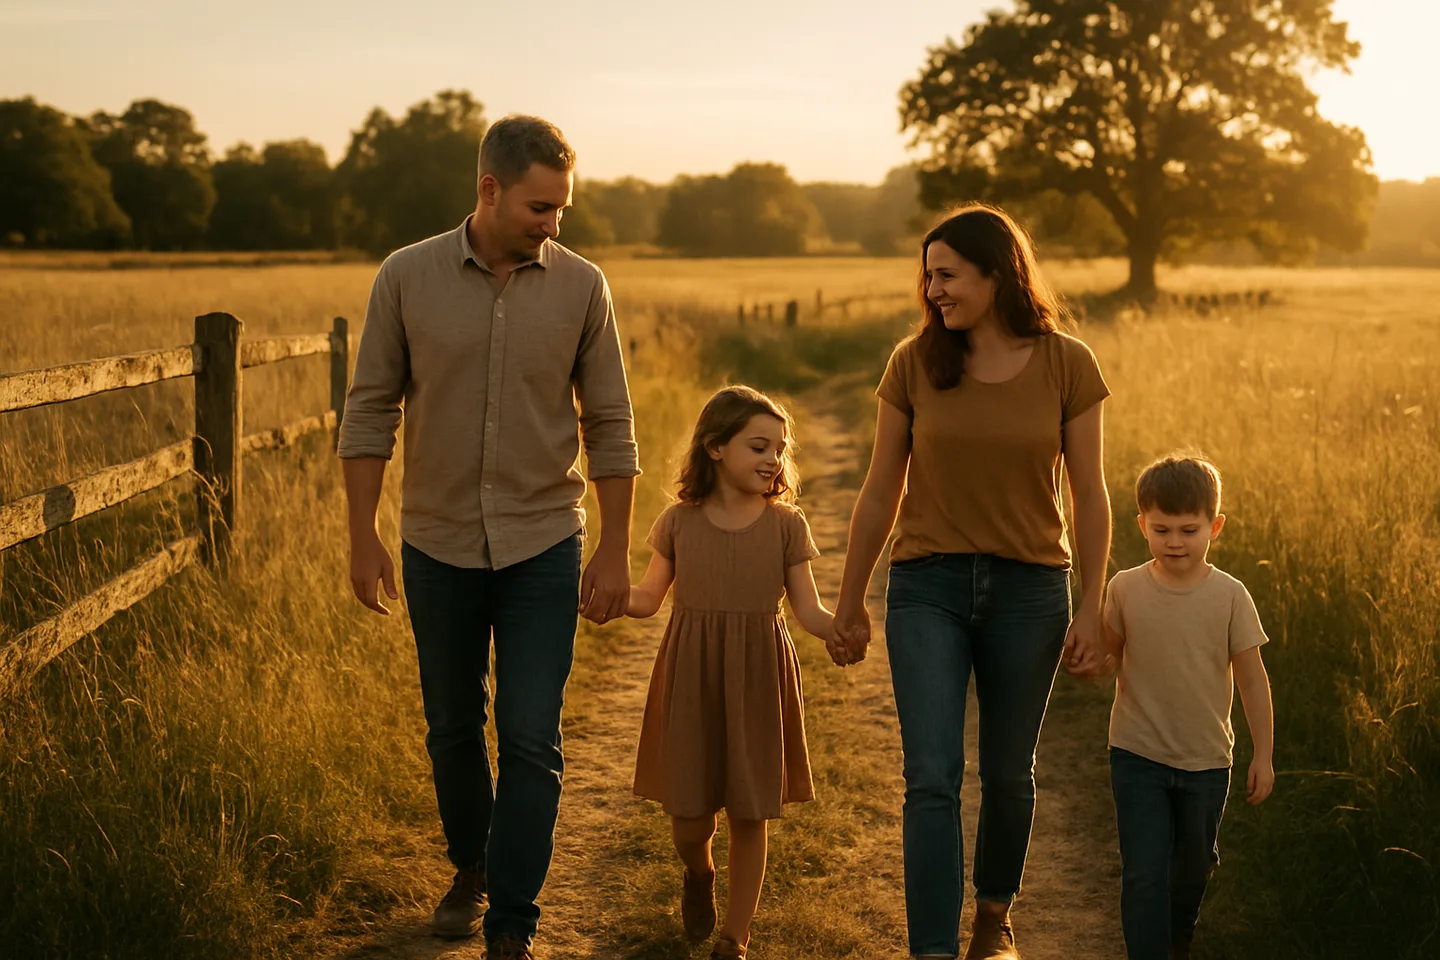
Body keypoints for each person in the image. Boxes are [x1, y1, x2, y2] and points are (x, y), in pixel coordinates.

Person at [337, 115, 639, 960]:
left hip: (546, 539)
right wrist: (362, 536)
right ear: (489, 190)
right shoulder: (406, 276)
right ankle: (471, 864)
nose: (555, 224)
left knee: (532, 731)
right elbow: (368, 414)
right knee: (452, 727)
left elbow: (610, 423)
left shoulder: (583, 287)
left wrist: (615, 547)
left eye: (563, 209)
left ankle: (512, 917)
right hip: (436, 542)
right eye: (542, 208)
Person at [831, 204, 1113, 960]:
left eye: (947, 274)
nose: (934, 289)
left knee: (1010, 772)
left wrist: (1093, 607)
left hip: (1031, 591)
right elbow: (879, 489)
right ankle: (930, 948)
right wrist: (852, 597)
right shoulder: (914, 363)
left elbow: (1090, 494)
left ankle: (993, 917)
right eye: (927, 276)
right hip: (928, 585)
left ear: (998, 274)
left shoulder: (1068, 363)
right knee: (930, 775)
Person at [625, 385, 834, 960]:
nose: (773, 460)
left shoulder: (787, 525)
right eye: (758, 446)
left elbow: (809, 609)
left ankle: (734, 938)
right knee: (688, 817)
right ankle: (698, 872)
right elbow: (647, 598)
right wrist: (608, 595)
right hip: (691, 673)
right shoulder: (679, 522)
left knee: (750, 808)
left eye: (780, 450)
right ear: (715, 448)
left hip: (758, 674)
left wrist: (839, 628)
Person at [1102, 455, 1275, 960]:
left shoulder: (1230, 597)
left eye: (1188, 529)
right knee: (1143, 871)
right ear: (1142, 525)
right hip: (1136, 753)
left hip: (1205, 761)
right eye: (1161, 529)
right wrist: (1086, 660)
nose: (1174, 541)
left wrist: (1262, 755)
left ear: (1214, 526)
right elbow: (1108, 657)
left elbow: (1253, 680)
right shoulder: (1126, 588)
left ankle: (1180, 930)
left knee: (1192, 865)